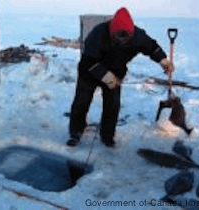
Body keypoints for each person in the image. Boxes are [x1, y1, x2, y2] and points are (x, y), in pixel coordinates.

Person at [67, 7, 174, 148]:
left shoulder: (138, 36)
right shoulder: (98, 33)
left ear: (131, 33)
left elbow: (152, 47)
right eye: (118, 36)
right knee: (82, 101)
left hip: (116, 72)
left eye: (126, 37)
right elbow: (88, 61)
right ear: (112, 31)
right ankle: (76, 132)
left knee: (112, 105)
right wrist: (105, 76)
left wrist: (163, 61)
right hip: (90, 72)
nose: (122, 40)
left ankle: (107, 137)